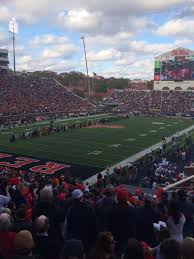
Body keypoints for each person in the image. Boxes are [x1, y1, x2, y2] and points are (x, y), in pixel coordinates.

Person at [108, 188, 135, 256]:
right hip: (127, 242)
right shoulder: (132, 211)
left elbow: (109, 227)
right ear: (126, 198)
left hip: (115, 241)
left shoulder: (112, 210)